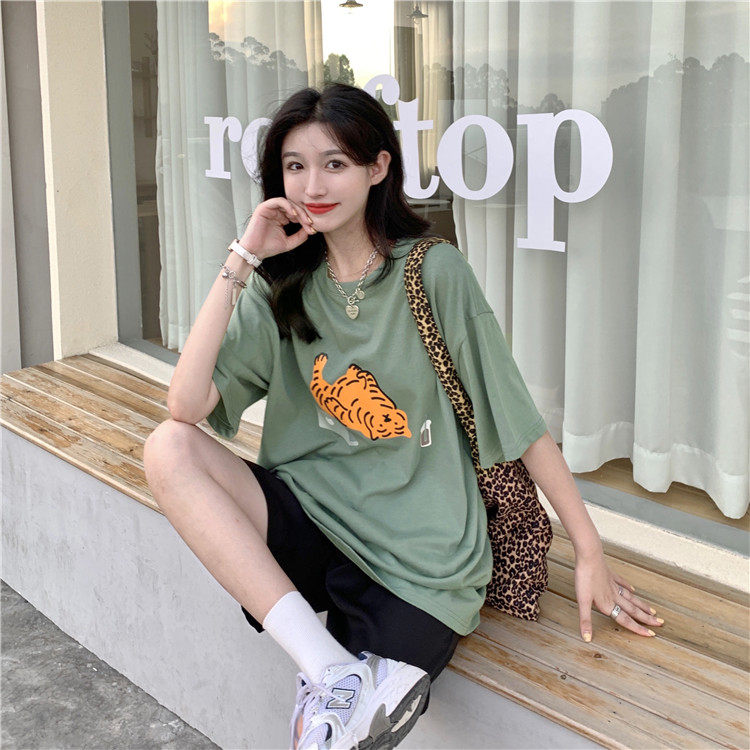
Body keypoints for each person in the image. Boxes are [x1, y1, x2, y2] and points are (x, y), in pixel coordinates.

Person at [144, 82, 664, 750]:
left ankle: (336, 686)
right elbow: (185, 405)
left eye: (334, 163)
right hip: (312, 519)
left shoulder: (433, 272)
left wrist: (589, 550)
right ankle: (330, 670)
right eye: (295, 166)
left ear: (378, 167)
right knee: (168, 447)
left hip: (418, 552)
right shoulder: (280, 285)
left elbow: (518, 420)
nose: (312, 185)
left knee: (344, 740)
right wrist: (244, 257)